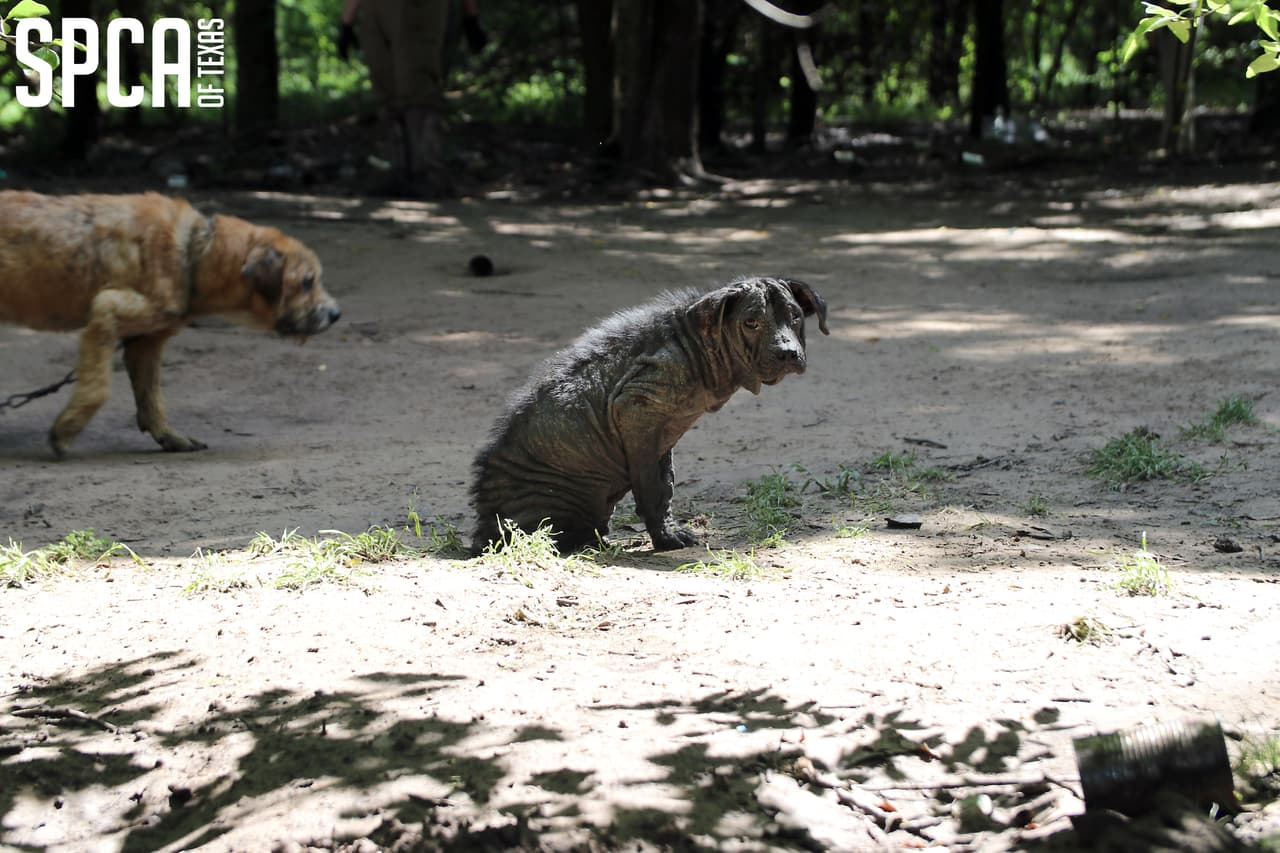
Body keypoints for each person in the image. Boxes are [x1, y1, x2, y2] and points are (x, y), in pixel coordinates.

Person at [338, 0, 485, 196]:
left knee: (417, 85)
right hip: (374, 9)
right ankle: (396, 171)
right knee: (385, 88)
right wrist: (346, 22)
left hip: (418, 8)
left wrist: (471, 15)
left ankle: (427, 174)